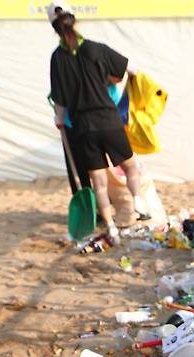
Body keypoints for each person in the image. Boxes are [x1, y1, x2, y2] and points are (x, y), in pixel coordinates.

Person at [47, 4, 150, 243]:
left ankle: (111, 228)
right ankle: (138, 202)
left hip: (83, 128)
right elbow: (129, 68)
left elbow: (59, 100)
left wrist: (59, 120)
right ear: (75, 21)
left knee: (99, 183)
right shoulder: (96, 49)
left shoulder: (57, 58)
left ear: (55, 28)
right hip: (108, 121)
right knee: (131, 167)